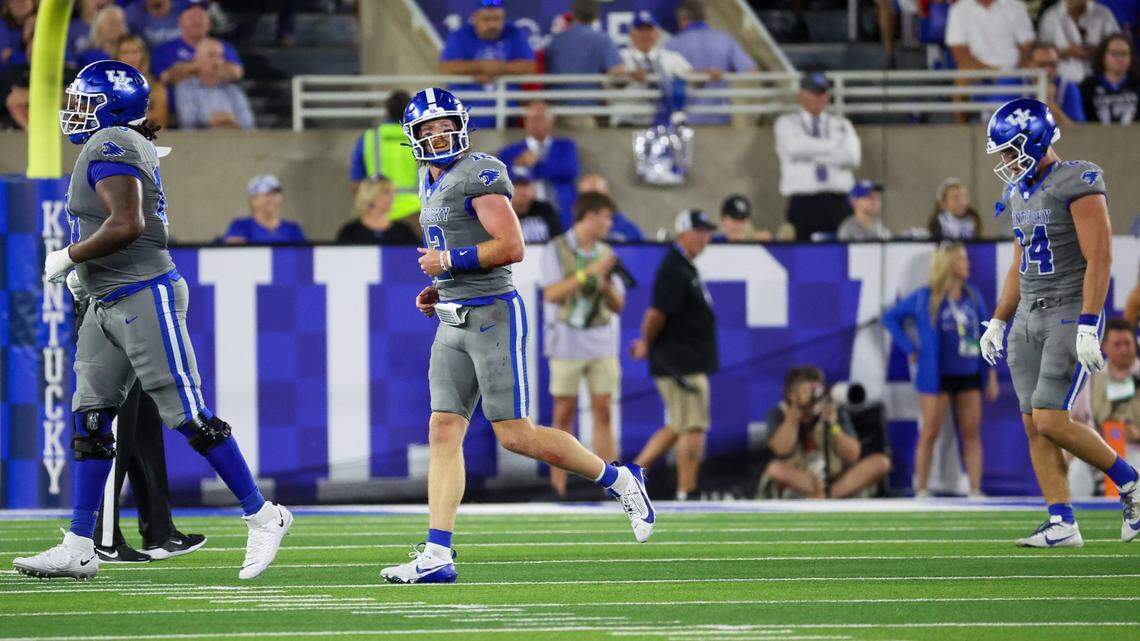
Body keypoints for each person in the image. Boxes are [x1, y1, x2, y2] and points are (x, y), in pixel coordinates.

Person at [14, 60, 291, 581]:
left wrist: (71, 256)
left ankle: (262, 513)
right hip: (107, 297)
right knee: (91, 417)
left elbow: (127, 223)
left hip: (143, 293)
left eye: (84, 100)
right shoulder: (114, 142)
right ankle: (80, 542)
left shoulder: (110, 141)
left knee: (187, 413)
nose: (74, 110)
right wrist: (86, 271)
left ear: (113, 107)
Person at [379, 87, 654, 585]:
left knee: (514, 435)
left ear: (461, 126)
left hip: (490, 314)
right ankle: (437, 554)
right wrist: (438, 285)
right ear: (414, 137)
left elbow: (512, 246)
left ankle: (619, 479)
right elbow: (457, 246)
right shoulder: (428, 178)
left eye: (445, 126)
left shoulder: (480, 171)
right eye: (429, 129)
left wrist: (449, 263)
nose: (438, 136)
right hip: (453, 313)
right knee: (443, 429)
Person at [979, 97, 1138, 547]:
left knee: (1051, 418)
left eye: (1010, 151)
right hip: (1028, 310)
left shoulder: (1077, 179)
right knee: (1033, 422)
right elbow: (1018, 266)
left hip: (1069, 308)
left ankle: (1131, 482)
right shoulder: (1019, 190)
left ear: (1033, 141)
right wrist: (997, 320)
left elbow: (1100, 256)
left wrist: (1089, 321)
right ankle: (1062, 520)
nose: (1007, 162)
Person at [66, 272, 205, 563]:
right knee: (115, 427)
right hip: (111, 311)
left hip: (135, 310)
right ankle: (103, 538)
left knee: (144, 427)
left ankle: (160, 530)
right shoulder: (106, 227)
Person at [883, 243, 1001, 498]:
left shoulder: (972, 295)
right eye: (961, 259)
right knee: (930, 432)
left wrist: (990, 373)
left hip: (968, 372)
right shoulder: (926, 296)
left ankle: (975, 489)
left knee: (971, 432)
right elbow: (890, 318)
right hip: (936, 375)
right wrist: (909, 347)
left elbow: (985, 333)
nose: (967, 264)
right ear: (948, 264)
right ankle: (921, 488)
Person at [630, 209, 719, 501]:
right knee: (692, 426)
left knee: (679, 424)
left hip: (685, 358)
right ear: (683, 232)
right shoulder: (674, 268)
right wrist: (646, 342)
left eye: (707, 232)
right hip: (680, 361)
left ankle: (630, 477)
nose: (705, 238)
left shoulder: (684, 267)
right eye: (700, 231)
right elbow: (656, 314)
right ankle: (687, 491)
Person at [540, 191, 624, 499]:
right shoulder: (556, 248)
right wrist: (589, 273)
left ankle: (615, 486)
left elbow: (618, 304)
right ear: (590, 216)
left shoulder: (607, 252)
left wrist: (604, 284)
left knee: (603, 412)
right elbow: (552, 294)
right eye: (606, 217)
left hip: (601, 341)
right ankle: (557, 487)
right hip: (566, 342)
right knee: (563, 414)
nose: (609, 223)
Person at [761, 366, 892, 498]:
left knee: (881, 462)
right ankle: (819, 493)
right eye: (808, 390)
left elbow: (852, 454)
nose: (814, 395)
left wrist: (833, 425)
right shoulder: (779, 412)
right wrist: (796, 411)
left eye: (816, 389)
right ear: (791, 394)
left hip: (834, 479)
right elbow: (781, 449)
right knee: (775, 469)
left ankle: (827, 495)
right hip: (802, 480)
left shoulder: (833, 410)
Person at [774, 73, 862, 241]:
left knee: (844, 252)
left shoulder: (842, 124)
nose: (823, 97)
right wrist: (832, 147)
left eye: (825, 93)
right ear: (801, 96)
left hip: (839, 202)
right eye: (816, 93)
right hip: (803, 203)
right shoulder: (786, 123)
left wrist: (811, 152)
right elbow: (795, 149)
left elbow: (852, 157)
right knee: (802, 256)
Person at [1068, 318, 1140, 496]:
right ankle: (1076, 519)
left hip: (1135, 449)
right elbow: (1074, 419)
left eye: (1127, 343)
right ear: (1105, 346)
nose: (1124, 349)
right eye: (1117, 344)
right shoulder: (1090, 377)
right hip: (1098, 447)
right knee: (1077, 470)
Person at [438, 0, 535, 130]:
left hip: (507, 114)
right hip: (466, 115)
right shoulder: (461, 35)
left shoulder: (514, 33)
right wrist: (481, 67)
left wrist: (499, 69)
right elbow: (446, 67)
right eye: (487, 19)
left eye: (497, 19)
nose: (493, 24)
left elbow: (530, 66)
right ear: (474, 18)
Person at [664, 0, 757, 125]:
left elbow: (663, 76)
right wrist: (723, 74)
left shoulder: (672, 44)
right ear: (704, 17)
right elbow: (751, 71)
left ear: (681, 19)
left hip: (684, 119)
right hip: (719, 117)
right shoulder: (724, 39)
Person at [498, 101, 580, 228]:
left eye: (539, 119)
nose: (533, 124)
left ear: (551, 122)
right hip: (526, 219)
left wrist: (533, 166)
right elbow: (504, 182)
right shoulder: (509, 152)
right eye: (529, 120)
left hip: (562, 212)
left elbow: (569, 171)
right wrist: (520, 166)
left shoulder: (565, 146)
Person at [348, 91, 419, 222]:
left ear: (386, 113)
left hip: (378, 213)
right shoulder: (422, 139)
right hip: (417, 214)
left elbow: (356, 186)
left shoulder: (368, 139)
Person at [545, 0, 625, 114]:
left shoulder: (555, 40)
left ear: (573, 13)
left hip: (554, 112)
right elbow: (618, 73)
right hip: (587, 111)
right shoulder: (602, 40)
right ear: (596, 15)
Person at [615, 10, 693, 127]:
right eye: (641, 30)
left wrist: (707, 72)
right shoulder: (621, 56)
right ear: (632, 33)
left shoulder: (670, 57)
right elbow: (612, 76)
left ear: (657, 33)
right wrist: (630, 75)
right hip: (628, 122)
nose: (645, 35)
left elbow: (691, 74)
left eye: (649, 30)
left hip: (662, 123)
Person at [152, 0, 242, 85]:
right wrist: (213, 66)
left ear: (210, 23)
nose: (197, 21)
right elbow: (164, 77)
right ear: (179, 22)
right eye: (191, 17)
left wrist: (192, 67)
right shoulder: (164, 49)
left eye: (201, 16)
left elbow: (236, 72)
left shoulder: (222, 46)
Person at [173, 37, 253, 130]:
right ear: (197, 60)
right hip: (197, 141)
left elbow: (248, 122)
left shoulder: (233, 90)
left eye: (219, 56)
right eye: (211, 56)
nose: (216, 61)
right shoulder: (185, 88)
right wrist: (218, 120)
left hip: (233, 140)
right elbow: (187, 120)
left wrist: (222, 121)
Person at [1039, 0, 1121, 84]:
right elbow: (1041, 53)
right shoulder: (1050, 16)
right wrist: (1066, 52)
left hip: (1099, 80)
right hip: (1064, 81)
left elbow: (1119, 45)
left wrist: (1098, 50)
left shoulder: (1103, 13)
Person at [945, 0, 1035, 73]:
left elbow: (1027, 46)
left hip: (1014, 73)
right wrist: (990, 73)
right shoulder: (958, 9)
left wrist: (1014, 72)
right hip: (977, 76)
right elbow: (960, 54)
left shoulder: (1016, 6)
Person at [335, 175, 420, 245]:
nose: (391, 197)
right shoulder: (350, 232)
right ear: (370, 195)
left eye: (392, 192)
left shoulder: (403, 232)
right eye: (385, 192)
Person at [223, 174, 305, 244]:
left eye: (276, 193)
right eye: (267, 194)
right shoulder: (240, 226)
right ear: (253, 200)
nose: (272, 198)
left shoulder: (293, 229)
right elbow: (235, 255)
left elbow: (301, 257)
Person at [1079, 33, 1139, 124]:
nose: (1119, 58)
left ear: (1131, 57)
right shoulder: (1088, 86)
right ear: (1103, 56)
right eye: (1114, 53)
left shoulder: (1137, 84)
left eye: (1124, 53)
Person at [114, 33, 168, 129]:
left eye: (135, 52)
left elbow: (160, 125)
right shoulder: (107, 85)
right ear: (117, 56)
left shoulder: (156, 87)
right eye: (125, 52)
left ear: (143, 56)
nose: (131, 57)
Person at [1026, 41, 1087, 124]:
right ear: (1029, 64)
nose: (1047, 70)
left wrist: (1050, 104)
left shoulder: (1067, 87)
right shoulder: (1013, 85)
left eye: (1052, 65)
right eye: (1042, 65)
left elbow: (1078, 131)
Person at [576, 173, 643, 242]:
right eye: (586, 198)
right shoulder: (571, 229)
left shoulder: (629, 230)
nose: (592, 203)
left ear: (608, 197)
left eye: (597, 197)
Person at [510, 167, 562, 244]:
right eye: (516, 185)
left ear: (533, 188)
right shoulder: (499, 213)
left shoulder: (545, 210)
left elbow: (558, 240)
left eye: (525, 185)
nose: (521, 191)